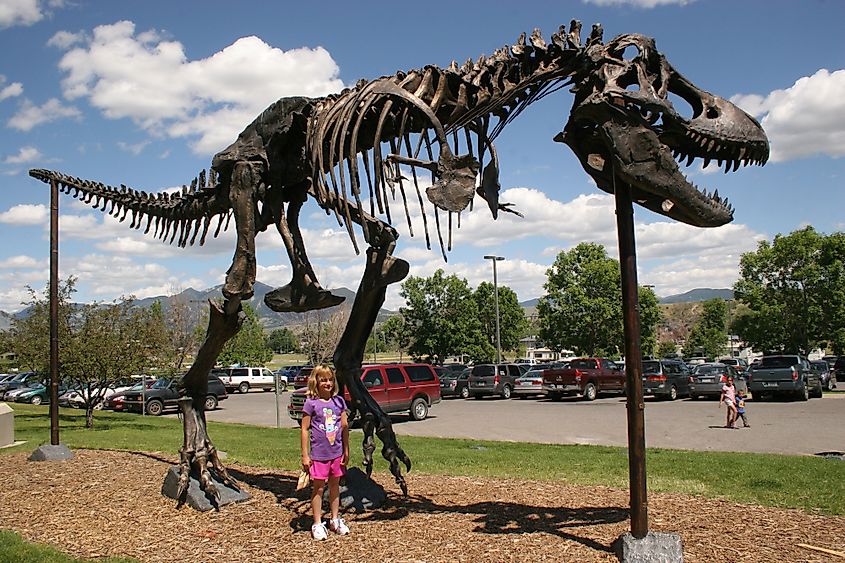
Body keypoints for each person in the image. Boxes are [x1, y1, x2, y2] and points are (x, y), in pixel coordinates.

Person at [300, 365, 350, 540]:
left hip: (336, 453)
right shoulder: (311, 403)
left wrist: (346, 450)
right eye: (323, 380)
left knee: (335, 486)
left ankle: (335, 519)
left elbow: (344, 427)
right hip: (319, 456)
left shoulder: (339, 402)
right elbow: (304, 429)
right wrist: (305, 455)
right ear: (316, 382)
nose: (327, 383)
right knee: (319, 488)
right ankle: (317, 523)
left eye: (330, 379)